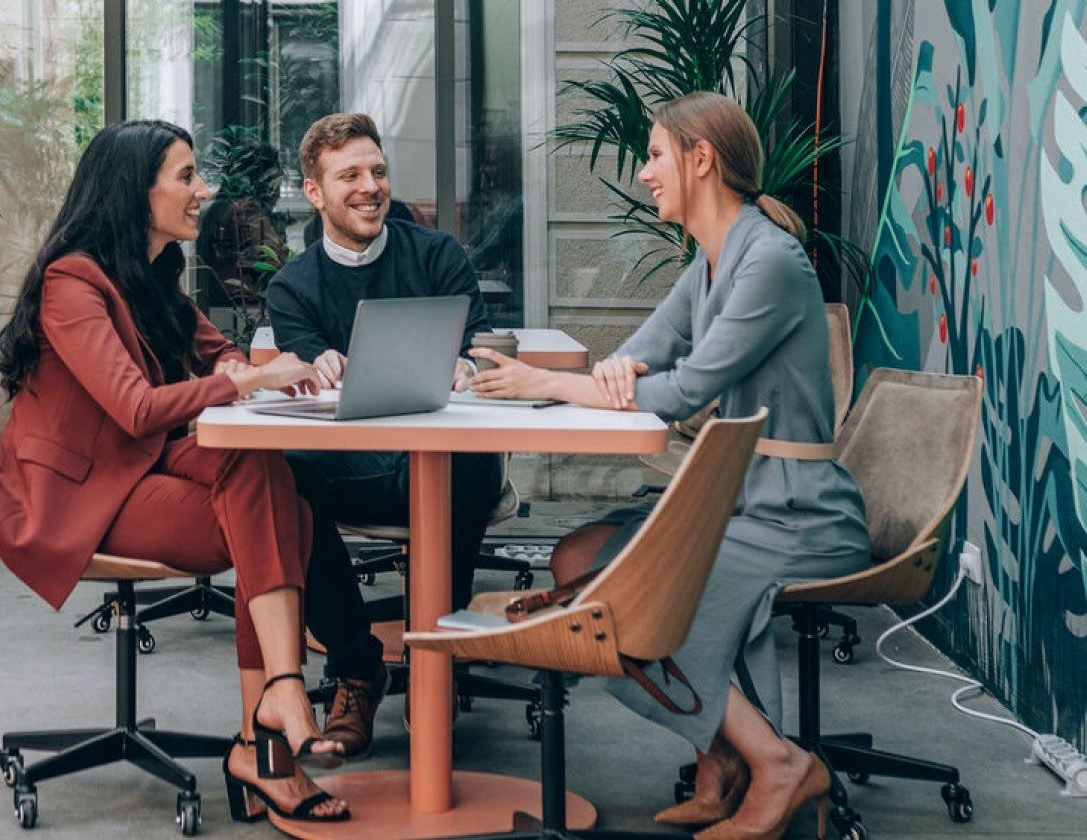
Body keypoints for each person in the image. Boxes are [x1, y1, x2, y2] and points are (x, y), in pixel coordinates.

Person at [468, 92, 870, 840]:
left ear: (701, 159)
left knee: (640, 591)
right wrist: (613, 376)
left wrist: (548, 384)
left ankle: (776, 763)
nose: (647, 173)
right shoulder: (712, 262)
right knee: (578, 555)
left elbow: (686, 388)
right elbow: (639, 357)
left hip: (797, 511)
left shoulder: (770, 262)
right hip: (732, 497)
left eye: (655, 155)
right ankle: (719, 755)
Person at [0, 119, 349, 823]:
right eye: (186, 177)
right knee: (277, 522)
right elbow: (135, 407)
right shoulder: (72, 283)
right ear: (134, 191)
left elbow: (219, 356)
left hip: (139, 465)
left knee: (268, 485)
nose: (202, 191)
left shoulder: (151, 279)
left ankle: (272, 714)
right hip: (73, 493)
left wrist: (281, 369)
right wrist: (244, 384)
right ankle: (270, 731)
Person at [265, 112, 504, 758]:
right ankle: (355, 666)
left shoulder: (437, 255)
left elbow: (480, 347)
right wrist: (316, 369)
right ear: (315, 193)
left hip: (445, 461)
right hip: (356, 471)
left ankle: (438, 655)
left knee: (477, 462)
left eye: (377, 171)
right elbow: (299, 369)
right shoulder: (293, 288)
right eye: (350, 175)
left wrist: (467, 364)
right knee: (279, 480)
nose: (370, 187)